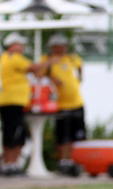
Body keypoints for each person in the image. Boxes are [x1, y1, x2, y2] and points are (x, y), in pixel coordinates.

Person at [0, 33, 56, 176]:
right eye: (20, 44)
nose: (23, 47)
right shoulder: (14, 58)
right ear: (13, 45)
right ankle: (10, 165)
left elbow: (31, 71)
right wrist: (50, 62)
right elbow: (34, 68)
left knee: (13, 133)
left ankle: (10, 164)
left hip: (9, 101)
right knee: (15, 134)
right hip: (13, 101)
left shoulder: (4, 57)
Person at [42, 34, 86, 174]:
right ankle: (63, 161)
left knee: (76, 135)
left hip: (77, 102)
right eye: (59, 46)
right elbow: (39, 73)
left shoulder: (72, 58)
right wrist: (52, 75)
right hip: (61, 104)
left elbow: (80, 67)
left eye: (64, 46)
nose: (62, 49)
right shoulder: (47, 60)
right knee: (63, 135)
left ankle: (72, 160)